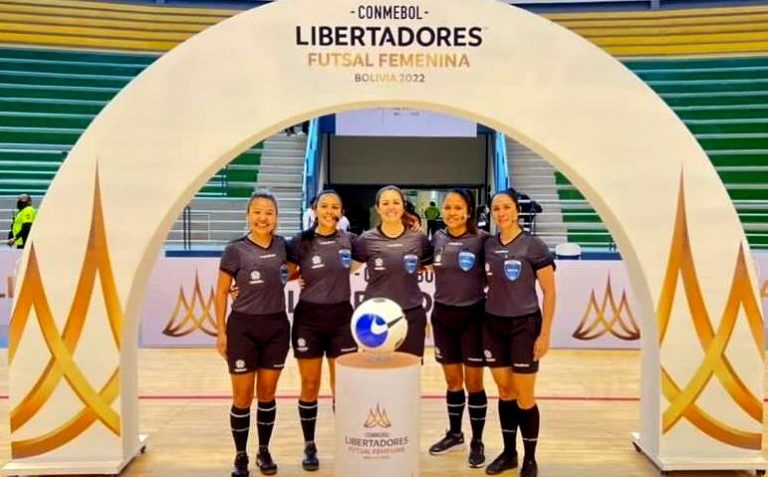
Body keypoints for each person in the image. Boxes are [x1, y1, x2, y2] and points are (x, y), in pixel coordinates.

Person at [215, 191, 296, 477]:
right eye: (258, 212)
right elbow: (222, 291)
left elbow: (295, 270)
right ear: (248, 215)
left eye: (269, 213)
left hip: (276, 328)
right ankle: (240, 456)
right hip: (242, 329)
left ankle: (264, 450)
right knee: (242, 397)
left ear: (276, 218)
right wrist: (221, 333)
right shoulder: (234, 249)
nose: (263, 218)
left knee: (267, 394)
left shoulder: (284, 247)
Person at [482, 190, 555, 477]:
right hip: (493, 325)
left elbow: (549, 292)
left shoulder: (534, 245)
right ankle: (509, 453)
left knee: (525, 396)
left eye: (506, 207)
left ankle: (530, 458)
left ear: (517, 211)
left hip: (525, 326)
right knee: (504, 391)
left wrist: (545, 334)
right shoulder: (487, 245)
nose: (501, 213)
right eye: (496, 208)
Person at [287, 190, 359, 471]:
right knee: (309, 385)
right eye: (325, 206)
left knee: (342, 387)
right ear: (315, 209)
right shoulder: (300, 241)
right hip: (309, 320)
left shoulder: (350, 240)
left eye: (336, 207)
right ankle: (309, 445)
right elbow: (286, 272)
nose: (330, 211)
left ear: (341, 212)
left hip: (341, 318)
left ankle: (345, 441)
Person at [428, 189, 489, 468]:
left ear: (468, 212)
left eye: (457, 207)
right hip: (442, 316)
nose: (451, 212)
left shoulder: (482, 240)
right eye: (448, 207)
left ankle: (477, 440)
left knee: (474, 384)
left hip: (473, 318)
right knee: (453, 382)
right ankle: (455, 433)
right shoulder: (437, 238)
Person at [352, 185, 433, 357]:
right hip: (375, 316)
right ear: (377, 208)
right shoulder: (365, 239)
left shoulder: (419, 238)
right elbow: (347, 269)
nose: (391, 207)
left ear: (403, 206)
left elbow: (436, 269)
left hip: (411, 314)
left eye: (396, 202)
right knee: (376, 373)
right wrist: (308, 277)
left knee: (409, 372)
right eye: (386, 203)